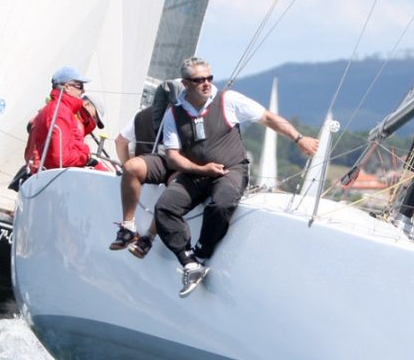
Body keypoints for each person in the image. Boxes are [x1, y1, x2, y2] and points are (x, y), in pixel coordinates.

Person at [154, 57, 319, 297]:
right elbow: (172, 157)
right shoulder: (175, 113)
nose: (206, 83)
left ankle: (201, 253)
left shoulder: (228, 100)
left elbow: (269, 118)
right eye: (199, 80)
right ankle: (189, 263)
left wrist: (299, 138)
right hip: (197, 172)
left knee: (220, 204)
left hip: (230, 170)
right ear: (186, 83)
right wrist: (201, 169)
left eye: (209, 78)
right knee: (165, 208)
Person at [109, 78, 184, 258]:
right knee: (178, 187)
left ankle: (128, 226)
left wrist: (126, 167)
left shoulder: (142, 115)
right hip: (169, 178)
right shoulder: (186, 118)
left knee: (134, 168)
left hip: (143, 176)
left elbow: (120, 141)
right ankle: (148, 237)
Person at [29, 66, 97, 171]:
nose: (83, 90)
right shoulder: (61, 112)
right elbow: (61, 158)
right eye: (80, 85)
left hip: (45, 173)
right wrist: (86, 155)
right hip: (54, 177)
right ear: (67, 87)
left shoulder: (52, 108)